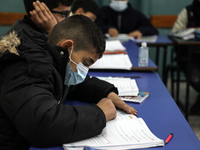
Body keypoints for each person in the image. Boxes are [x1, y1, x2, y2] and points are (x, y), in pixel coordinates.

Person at [0, 15, 137, 150]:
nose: (84, 71)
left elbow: (74, 85)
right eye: (85, 63)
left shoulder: (49, 57)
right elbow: (42, 124)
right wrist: (100, 113)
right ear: (67, 46)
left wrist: (107, 92)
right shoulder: (27, 67)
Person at [171, 0, 200, 115]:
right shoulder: (188, 11)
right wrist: (194, 31)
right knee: (197, 78)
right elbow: (175, 32)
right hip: (190, 56)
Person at [7, 0, 74, 37]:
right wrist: (52, 33)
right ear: (40, 11)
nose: (67, 20)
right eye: (63, 14)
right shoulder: (28, 45)